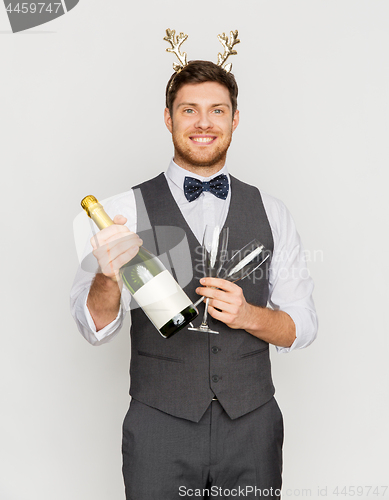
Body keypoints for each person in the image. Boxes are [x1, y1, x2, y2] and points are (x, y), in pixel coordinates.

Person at [71, 54, 318, 499]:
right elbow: (95, 329)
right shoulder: (120, 212)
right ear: (168, 118)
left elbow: (301, 328)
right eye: (189, 110)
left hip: (252, 428)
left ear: (235, 119)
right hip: (159, 428)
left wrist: (248, 316)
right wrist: (107, 278)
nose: (203, 123)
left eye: (217, 110)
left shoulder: (272, 212)